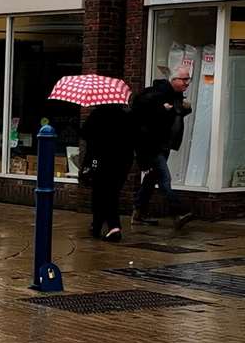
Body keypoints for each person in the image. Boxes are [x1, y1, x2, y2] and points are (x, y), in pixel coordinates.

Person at [131, 70, 194, 228]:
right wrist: (162, 109)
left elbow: (174, 115)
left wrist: (185, 108)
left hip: (163, 145)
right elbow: (143, 116)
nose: (187, 83)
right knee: (164, 179)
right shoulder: (155, 94)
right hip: (151, 146)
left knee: (151, 180)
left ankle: (138, 214)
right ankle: (178, 212)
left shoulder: (175, 96)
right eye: (184, 79)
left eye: (189, 79)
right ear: (173, 80)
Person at [80, 102, 134, 241]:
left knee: (100, 193)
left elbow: (85, 134)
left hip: (101, 160)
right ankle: (98, 226)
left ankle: (112, 227)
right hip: (123, 162)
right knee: (112, 193)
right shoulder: (126, 115)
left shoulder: (97, 114)